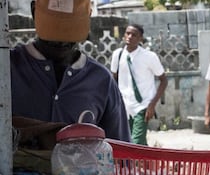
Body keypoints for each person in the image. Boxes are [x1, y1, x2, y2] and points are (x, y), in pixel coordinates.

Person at [11, 0, 131, 142]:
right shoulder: (7, 69)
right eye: (53, 29)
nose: (61, 41)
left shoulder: (101, 80)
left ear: (89, 15)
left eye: (69, 30)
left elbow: (120, 150)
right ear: (33, 11)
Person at [111, 24, 168, 145]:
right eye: (127, 33)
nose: (129, 37)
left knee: (136, 141)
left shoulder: (149, 56)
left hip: (143, 105)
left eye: (134, 35)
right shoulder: (118, 55)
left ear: (140, 38)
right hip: (124, 105)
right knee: (128, 141)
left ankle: (141, 162)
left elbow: (163, 80)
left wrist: (152, 104)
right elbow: (113, 80)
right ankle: (147, 162)